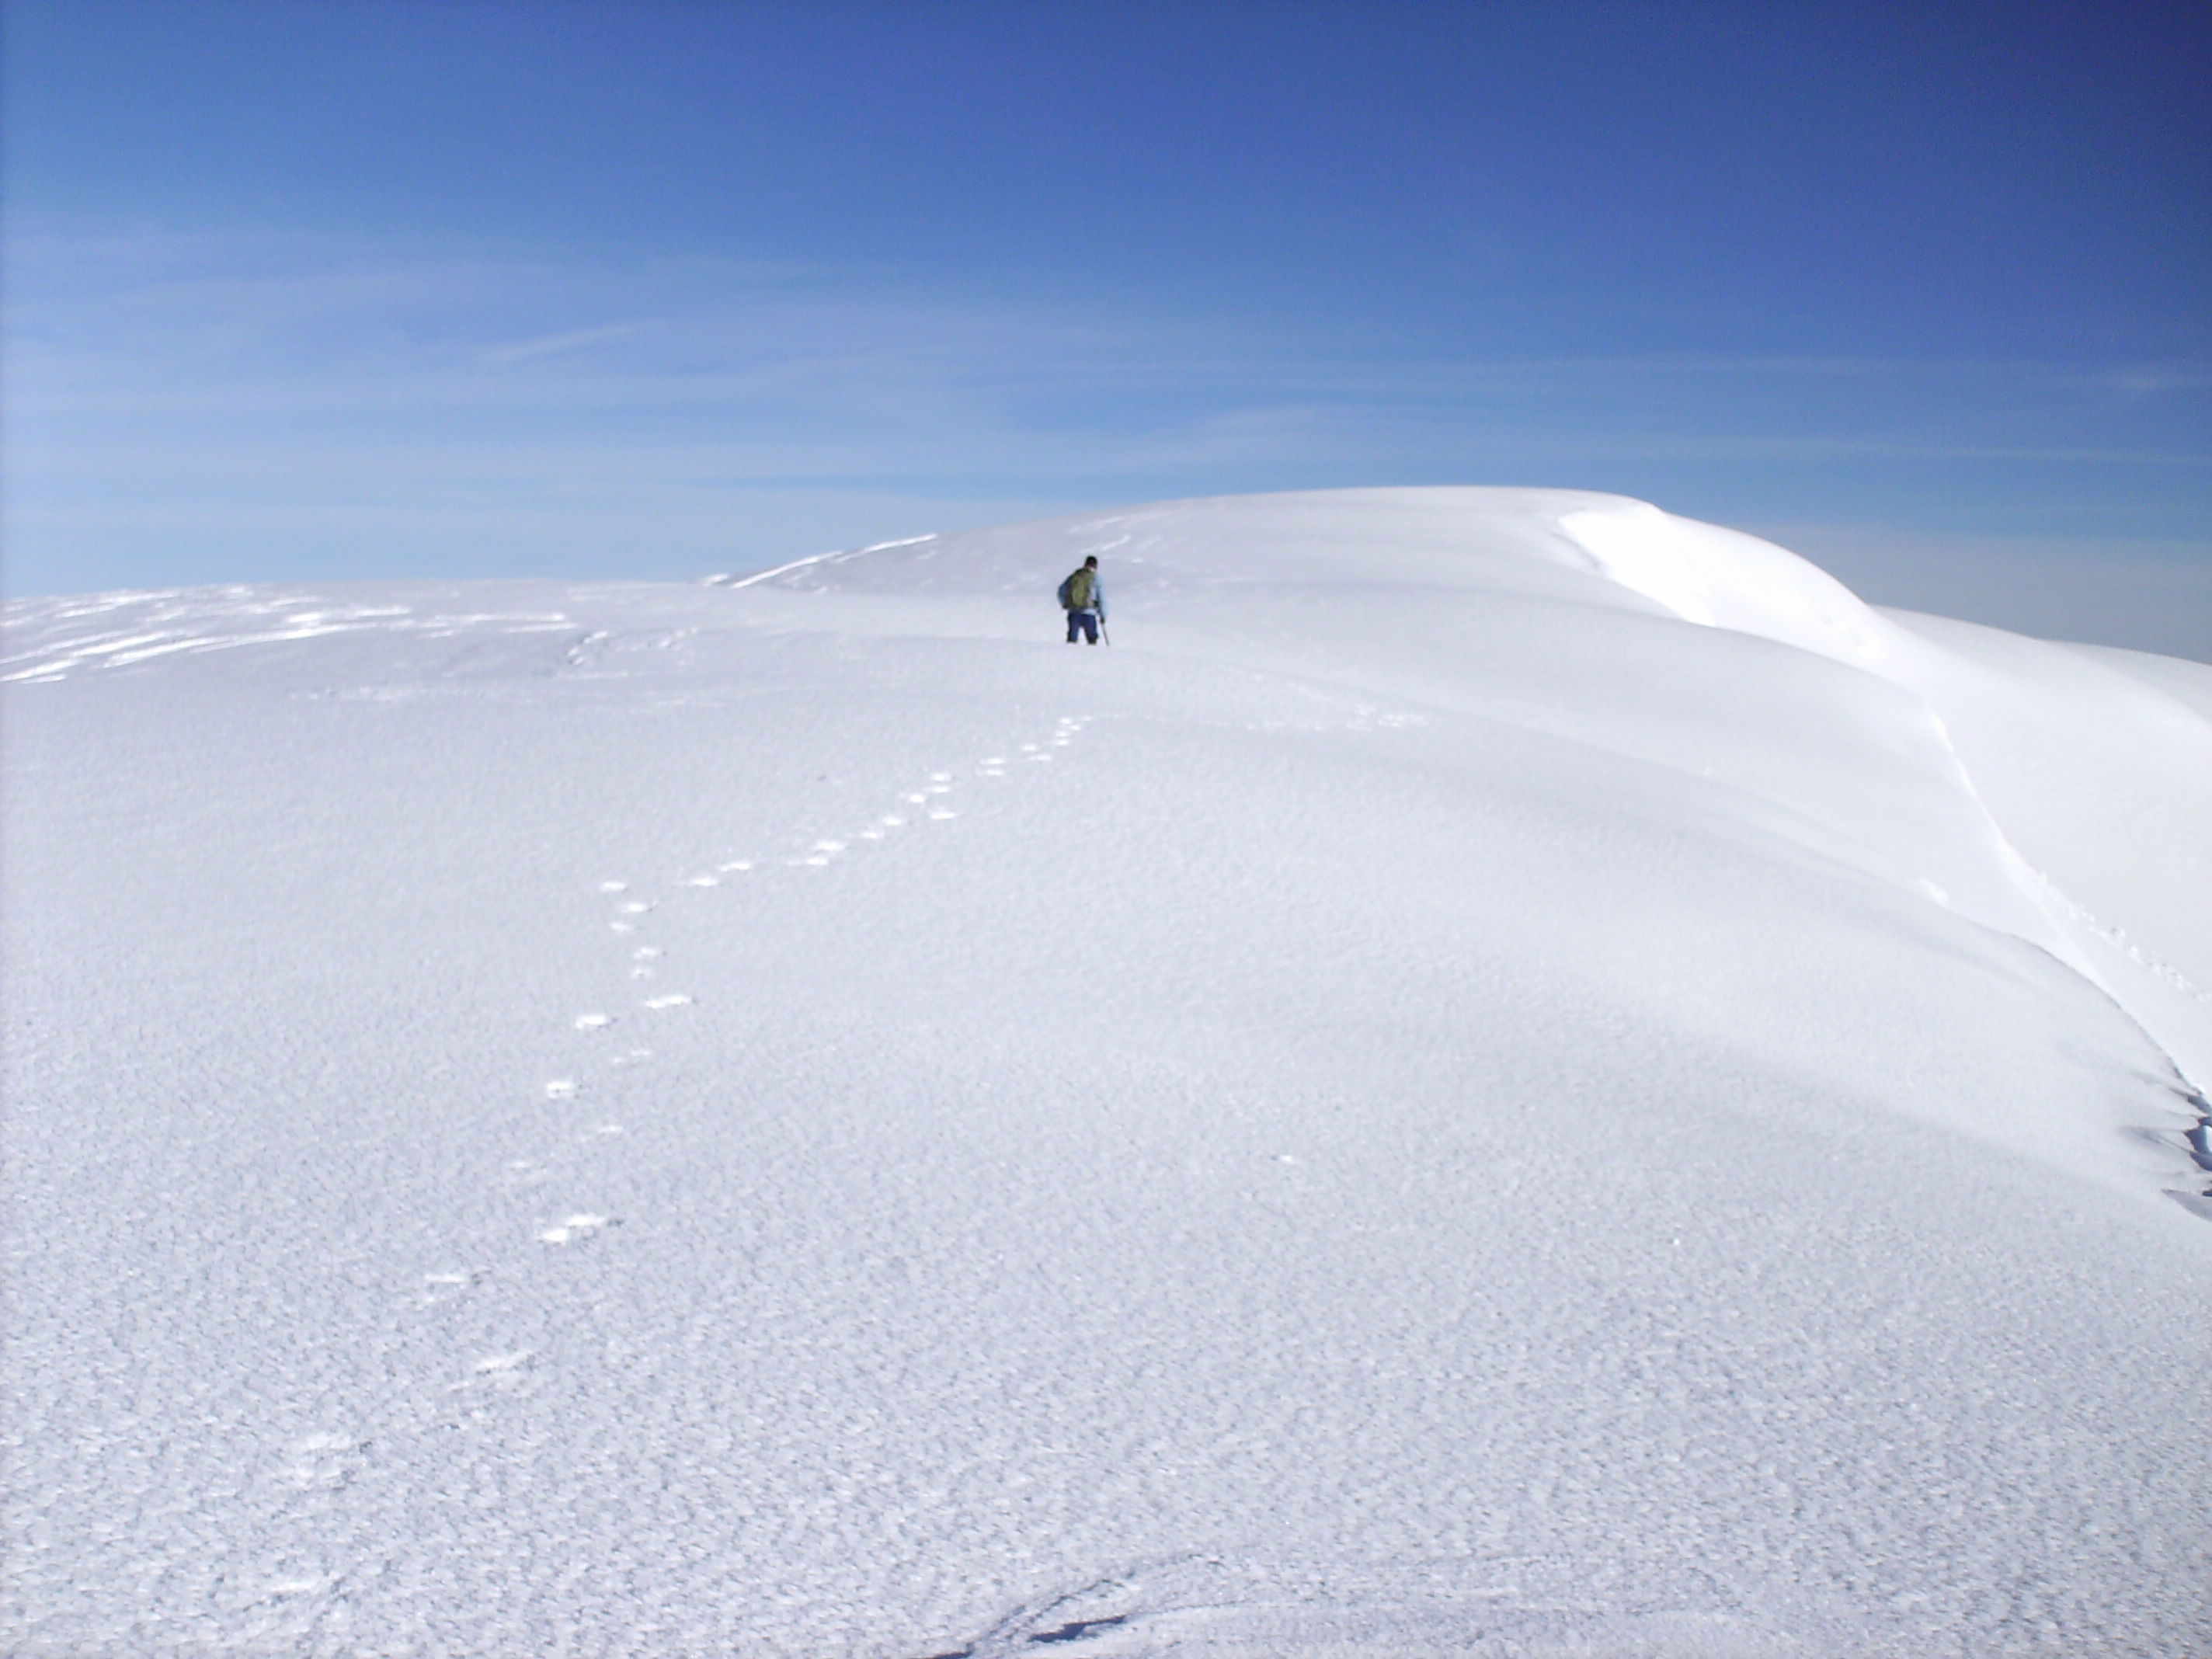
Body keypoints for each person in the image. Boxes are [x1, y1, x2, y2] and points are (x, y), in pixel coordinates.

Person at [1059, 555, 1107, 645]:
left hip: (1074, 612)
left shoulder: (1075, 576)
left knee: (1072, 640)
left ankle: (1068, 657)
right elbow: (1102, 599)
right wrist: (1103, 615)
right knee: (1092, 641)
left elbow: (1061, 590)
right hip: (1089, 613)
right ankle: (1091, 657)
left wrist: (1065, 604)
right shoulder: (1097, 579)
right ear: (1096, 566)